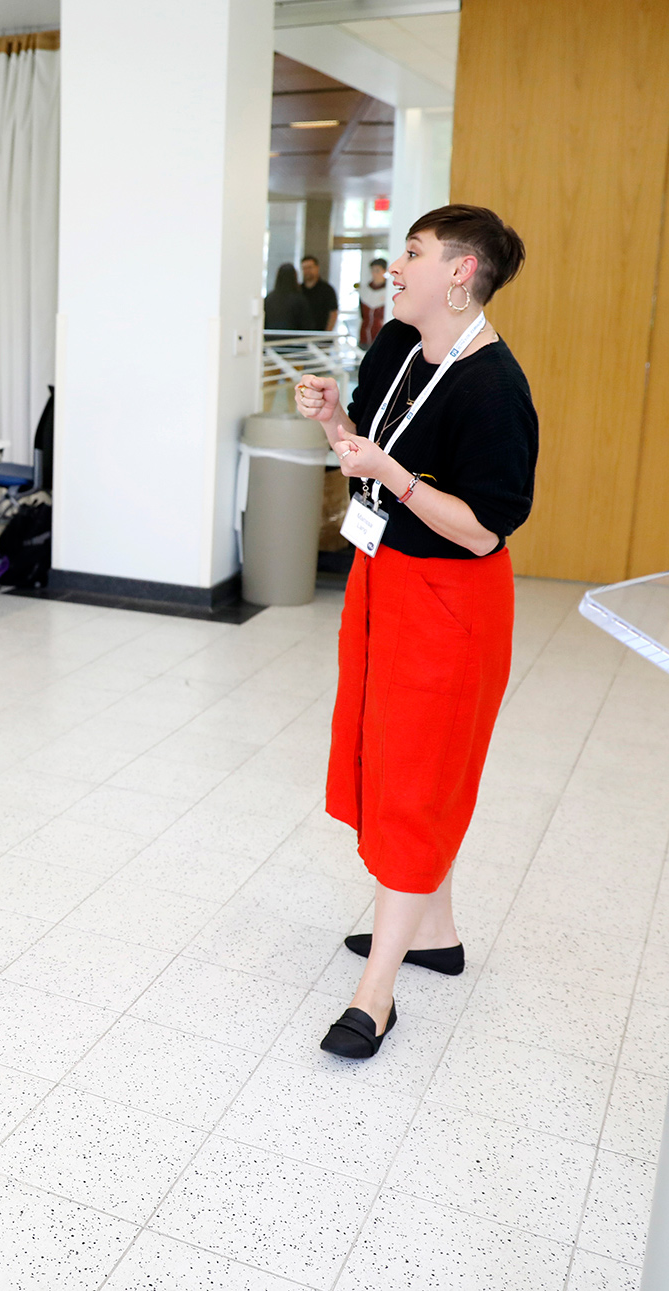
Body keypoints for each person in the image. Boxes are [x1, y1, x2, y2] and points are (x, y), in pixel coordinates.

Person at [294, 203, 534, 1060]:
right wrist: (333, 423)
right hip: (382, 580)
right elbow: (363, 449)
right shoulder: (396, 346)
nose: (396, 268)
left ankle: (377, 993)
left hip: (451, 601)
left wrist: (390, 473)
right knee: (388, 759)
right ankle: (435, 933)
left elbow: (482, 529)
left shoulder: (496, 388)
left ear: (461, 274)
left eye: (414, 253)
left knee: (416, 775)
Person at [263, 264, 317, 332]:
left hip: (271, 340)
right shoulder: (299, 300)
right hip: (293, 340)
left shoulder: (269, 299)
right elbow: (307, 325)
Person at [299, 255, 340, 332]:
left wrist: (326, 334)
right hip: (302, 337)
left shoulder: (327, 290)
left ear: (317, 268)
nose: (307, 271)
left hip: (321, 336)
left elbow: (333, 313)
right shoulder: (298, 290)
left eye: (310, 267)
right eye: (304, 268)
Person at [357, 257, 391, 347]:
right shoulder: (365, 291)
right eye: (372, 270)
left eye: (377, 270)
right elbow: (362, 314)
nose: (374, 274)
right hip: (364, 336)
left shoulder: (389, 291)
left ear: (384, 271)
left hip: (381, 337)